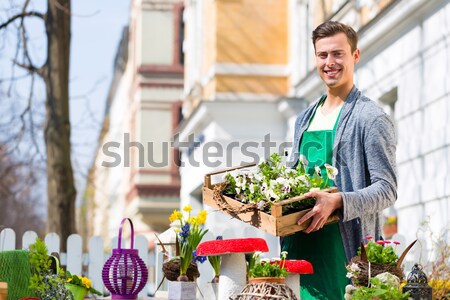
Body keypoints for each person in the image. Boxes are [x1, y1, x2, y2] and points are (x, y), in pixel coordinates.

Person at [282, 21, 397, 299]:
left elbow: (387, 188)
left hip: (342, 255)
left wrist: (338, 201)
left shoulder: (370, 118)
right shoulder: (304, 119)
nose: (329, 62)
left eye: (338, 54)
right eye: (323, 55)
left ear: (355, 56)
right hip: (298, 252)